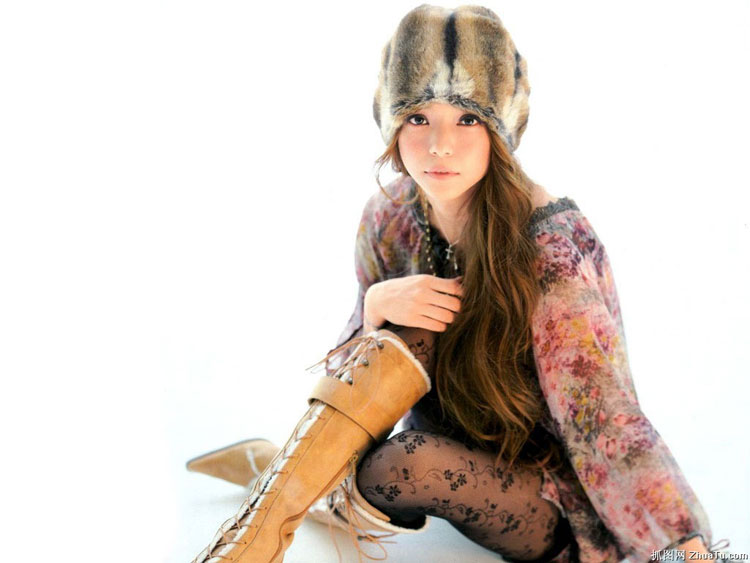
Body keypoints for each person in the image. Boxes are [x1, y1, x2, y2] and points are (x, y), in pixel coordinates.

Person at [186, 5, 727, 562]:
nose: (440, 144)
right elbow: (352, 381)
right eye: (418, 117)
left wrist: (680, 546)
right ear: (391, 123)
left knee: (396, 465)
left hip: (544, 491)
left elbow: (602, 417)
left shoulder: (547, 245)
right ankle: (256, 535)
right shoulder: (389, 216)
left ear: (501, 128)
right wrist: (373, 308)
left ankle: (288, 484)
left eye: (468, 119)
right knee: (407, 323)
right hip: (449, 438)